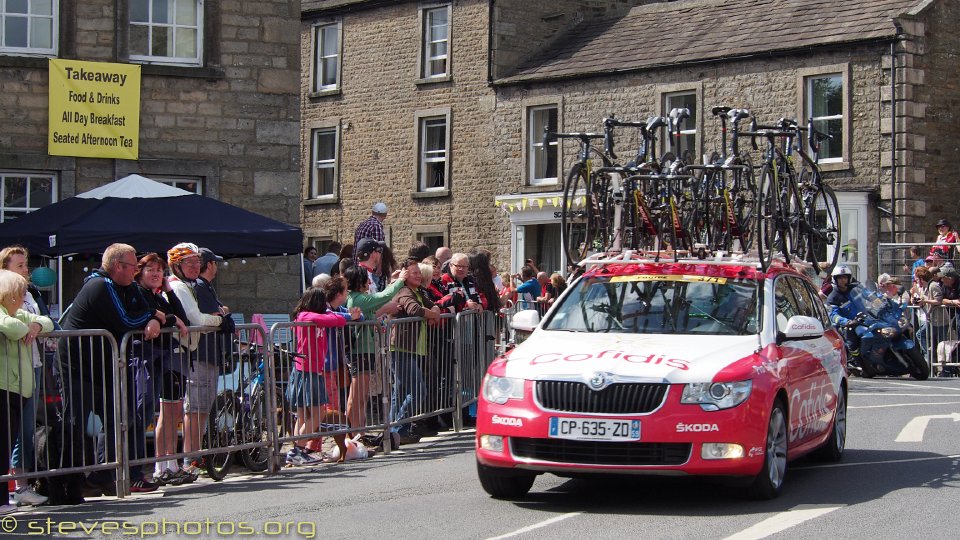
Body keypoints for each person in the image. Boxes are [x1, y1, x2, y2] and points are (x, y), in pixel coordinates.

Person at [59, 243, 163, 500]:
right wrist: (153, 315)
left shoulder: (126, 287)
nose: (136, 271)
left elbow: (147, 310)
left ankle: (104, 476)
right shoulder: (100, 285)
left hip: (104, 365)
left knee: (118, 419)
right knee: (75, 423)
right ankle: (67, 483)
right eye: (133, 267)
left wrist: (156, 316)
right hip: (78, 365)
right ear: (118, 266)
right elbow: (126, 320)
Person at [167, 243, 229, 479]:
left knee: (200, 409)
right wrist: (221, 318)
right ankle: (189, 459)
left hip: (204, 353)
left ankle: (191, 457)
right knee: (194, 409)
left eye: (196, 262)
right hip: (198, 354)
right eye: (189, 262)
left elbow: (214, 315)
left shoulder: (196, 286)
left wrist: (220, 316)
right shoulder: (193, 286)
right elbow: (199, 318)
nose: (196, 267)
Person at [0, 246, 56, 506]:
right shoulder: (6, 306)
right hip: (6, 381)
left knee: (23, 432)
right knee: (6, 438)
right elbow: (10, 327)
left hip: (25, 376)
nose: (27, 270)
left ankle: (22, 487)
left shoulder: (23, 301)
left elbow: (46, 321)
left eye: (26, 264)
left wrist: (34, 325)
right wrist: (26, 326)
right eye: (20, 265)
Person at [132, 253, 194, 487]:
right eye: (151, 270)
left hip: (165, 357)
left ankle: (171, 464)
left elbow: (181, 317)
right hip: (146, 357)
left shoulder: (158, 295)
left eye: (159, 270)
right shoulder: (138, 293)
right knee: (155, 411)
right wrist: (168, 319)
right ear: (140, 272)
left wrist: (168, 290)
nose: (157, 274)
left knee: (172, 411)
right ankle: (160, 465)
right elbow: (159, 316)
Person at [285, 286, 360, 465]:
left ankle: (298, 450)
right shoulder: (305, 316)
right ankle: (297, 449)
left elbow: (335, 319)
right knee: (317, 413)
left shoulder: (319, 317)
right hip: (306, 371)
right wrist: (346, 316)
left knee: (304, 415)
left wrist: (339, 316)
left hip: (311, 370)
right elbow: (335, 320)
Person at [344, 263, 407, 431]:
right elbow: (383, 297)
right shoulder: (358, 299)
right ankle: (354, 434)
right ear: (361, 282)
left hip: (366, 350)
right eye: (367, 280)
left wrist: (393, 282)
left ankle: (360, 432)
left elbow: (379, 300)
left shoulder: (358, 298)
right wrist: (400, 282)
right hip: (361, 351)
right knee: (357, 396)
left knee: (362, 396)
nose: (369, 283)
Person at [390, 259, 442, 444]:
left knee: (401, 391)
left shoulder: (418, 291)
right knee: (418, 390)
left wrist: (434, 310)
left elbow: (434, 304)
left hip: (413, 348)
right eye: (414, 273)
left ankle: (393, 431)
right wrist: (432, 313)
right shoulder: (404, 291)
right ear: (405, 275)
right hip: (402, 347)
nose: (418, 275)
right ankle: (397, 428)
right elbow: (414, 310)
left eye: (419, 272)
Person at [827, 265, 876, 362]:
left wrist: (881, 302)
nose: (843, 280)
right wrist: (846, 321)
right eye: (840, 278)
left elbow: (870, 296)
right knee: (852, 342)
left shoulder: (857, 288)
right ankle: (859, 361)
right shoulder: (833, 297)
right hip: (849, 325)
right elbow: (833, 315)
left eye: (845, 277)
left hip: (864, 319)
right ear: (835, 280)